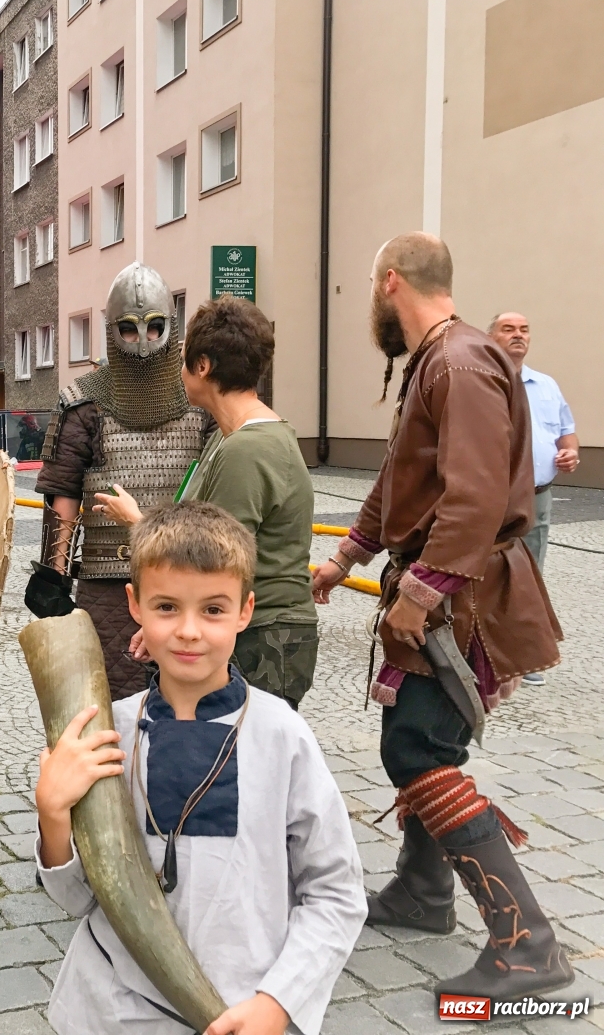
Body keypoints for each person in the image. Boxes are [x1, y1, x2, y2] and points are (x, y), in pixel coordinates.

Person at [313, 233, 570, 1000]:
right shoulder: (438, 359)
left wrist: (420, 593)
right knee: (425, 743)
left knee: (420, 751)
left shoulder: (457, 362)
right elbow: (401, 479)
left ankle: (530, 948)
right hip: (445, 587)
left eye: (369, 286)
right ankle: (422, 894)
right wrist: (345, 559)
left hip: (459, 597)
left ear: (390, 282)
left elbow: (477, 495)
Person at [36, 501, 364, 1035]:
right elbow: (77, 898)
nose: (189, 631)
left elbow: (335, 891)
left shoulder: (281, 735)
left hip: (239, 1008)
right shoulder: (105, 734)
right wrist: (53, 816)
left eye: (213, 609)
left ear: (244, 610)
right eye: (167, 607)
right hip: (110, 1010)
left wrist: (278, 1002)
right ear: (135, 604)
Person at [96, 296, 318, 708]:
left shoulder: (247, 449)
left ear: (203, 366)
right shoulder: (229, 438)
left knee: (242, 768)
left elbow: (211, 561)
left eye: (184, 361)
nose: (180, 373)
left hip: (263, 639)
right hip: (246, 630)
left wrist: (137, 522)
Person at [28, 262, 208, 700]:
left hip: (187, 572)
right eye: (129, 329)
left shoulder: (201, 398)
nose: (143, 342)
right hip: (106, 578)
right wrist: (55, 579)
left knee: (188, 700)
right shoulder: (83, 402)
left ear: (172, 325)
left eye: (154, 328)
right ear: (111, 329)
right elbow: (64, 496)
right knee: (111, 704)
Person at [489, 312, 578, 571]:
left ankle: (527, 613)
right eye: (508, 329)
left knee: (531, 569)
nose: (518, 335)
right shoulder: (481, 383)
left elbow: (566, 432)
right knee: (488, 567)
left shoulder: (546, 385)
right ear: (490, 338)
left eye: (524, 330)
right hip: (493, 496)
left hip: (537, 496)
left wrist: (570, 452)